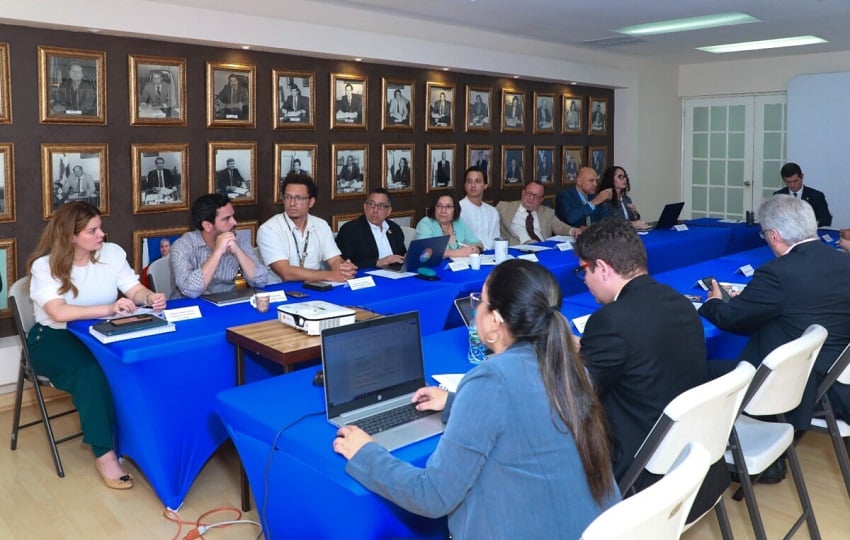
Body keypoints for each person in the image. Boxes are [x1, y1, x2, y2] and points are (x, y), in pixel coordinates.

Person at [333, 260, 619, 538]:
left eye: (480, 301)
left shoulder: (491, 380)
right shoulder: (570, 367)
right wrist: (455, 402)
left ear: (495, 320)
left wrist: (366, 453)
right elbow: (526, 408)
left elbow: (431, 496)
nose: (476, 309)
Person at [27, 201, 167, 490]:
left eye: (100, 227)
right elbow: (59, 312)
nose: (102, 234)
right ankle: (104, 454)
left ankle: (143, 437)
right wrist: (109, 308)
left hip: (101, 332)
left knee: (142, 360)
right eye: (93, 231)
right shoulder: (45, 266)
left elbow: (133, 288)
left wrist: (149, 298)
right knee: (91, 373)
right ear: (71, 236)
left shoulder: (112, 254)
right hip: (54, 338)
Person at [573, 218, 714, 495]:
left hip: (637, 460)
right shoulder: (680, 302)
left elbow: (577, 394)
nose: (585, 281)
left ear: (601, 268)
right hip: (688, 450)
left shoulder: (609, 321)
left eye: (584, 271)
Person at [699, 195, 850, 431]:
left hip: (796, 382)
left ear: (774, 236)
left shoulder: (776, 273)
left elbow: (731, 319)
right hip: (837, 373)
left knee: (695, 370)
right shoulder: (844, 262)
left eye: (764, 234)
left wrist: (713, 302)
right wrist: (752, 301)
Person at [258, 173, 357, 283]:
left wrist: (343, 268)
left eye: (298, 198)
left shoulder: (321, 225)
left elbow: (334, 260)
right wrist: (330, 275)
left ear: (311, 202)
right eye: (288, 197)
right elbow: (285, 272)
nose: (292, 203)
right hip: (281, 292)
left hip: (316, 287)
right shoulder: (269, 229)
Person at [170, 193, 267, 298]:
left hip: (228, 303)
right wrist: (217, 253)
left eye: (233, 216)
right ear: (207, 226)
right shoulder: (183, 246)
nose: (234, 222)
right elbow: (190, 291)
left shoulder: (236, 239)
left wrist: (238, 251)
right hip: (192, 307)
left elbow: (261, 281)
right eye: (226, 219)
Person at [335, 188, 407, 269]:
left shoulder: (394, 229)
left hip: (395, 276)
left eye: (381, 206)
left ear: (389, 211)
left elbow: (402, 256)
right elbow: (343, 264)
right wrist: (378, 262)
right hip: (364, 278)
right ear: (365, 207)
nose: (375, 210)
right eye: (371, 204)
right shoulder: (350, 230)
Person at [496, 180, 578, 245]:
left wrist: (573, 231)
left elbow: (559, 226)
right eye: (529, 193)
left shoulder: (547, 212)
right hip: (518, 249)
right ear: (523, 193)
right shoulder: (504, 208)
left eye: (536, 196)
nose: (531, 198)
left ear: (541, 200)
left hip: (542, 249)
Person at [415, 193, 482, 258]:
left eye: (448, 206)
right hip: (431, 268)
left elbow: (478, 243)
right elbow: (424, 254)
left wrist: (476, 250)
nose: (443, 211)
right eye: (439, 206)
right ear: (434, 208)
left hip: (459, 267)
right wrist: (459, 252)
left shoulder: (459, 222)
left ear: (455, 209)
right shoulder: (425, 224)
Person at [773, 162, 832, 226]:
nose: (792, 185)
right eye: (788, 182)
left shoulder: (816, 196)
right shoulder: (778, 196)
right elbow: (773, 218)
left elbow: (826, 220)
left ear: (802, 176)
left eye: (795, 181)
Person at [459, 166, 500, 250]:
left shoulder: (492, 211)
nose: (473, 185)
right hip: (467, 255)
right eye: (469, 181)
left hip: (491, 255)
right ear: (465, 185)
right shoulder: (457, 209)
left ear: (485, 185)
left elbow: (496, 238)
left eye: (477, 181)